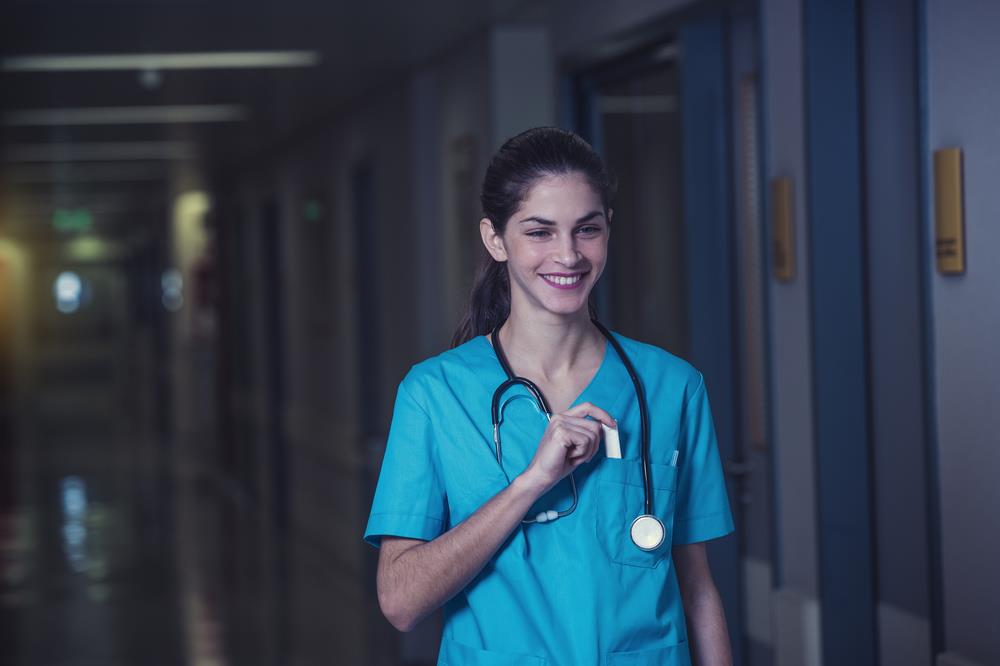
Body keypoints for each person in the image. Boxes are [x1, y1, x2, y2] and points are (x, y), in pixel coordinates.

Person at [364, 127, 735, 665]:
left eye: (587, 229)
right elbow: (400, 601)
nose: (568, 254)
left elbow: (697, 588)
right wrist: (530, 484)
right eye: (539, 232)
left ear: (609, 230)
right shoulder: (435, 394)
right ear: (496, 240)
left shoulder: (672, 387)